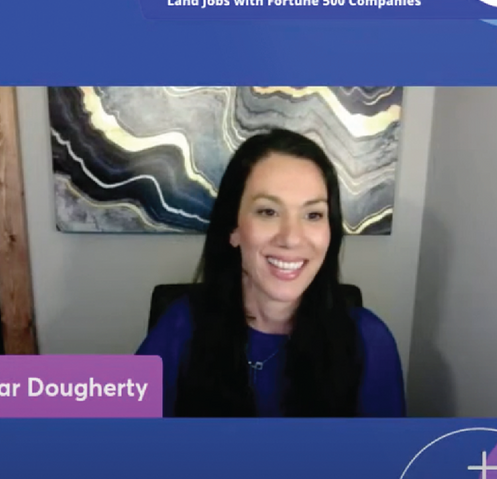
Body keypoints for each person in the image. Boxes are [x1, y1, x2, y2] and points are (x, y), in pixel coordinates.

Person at [138, 128, 405, 417]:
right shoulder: (181, 326)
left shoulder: (370, 341)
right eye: (268, 212)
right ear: (234, 229)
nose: (291, 238)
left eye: (313, 214)